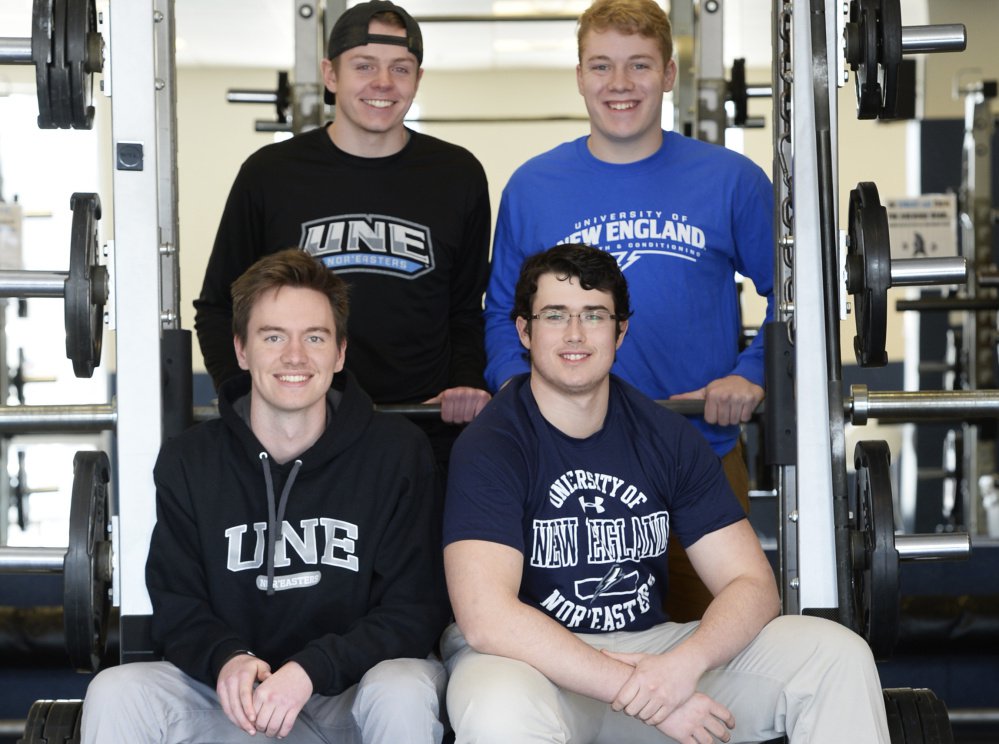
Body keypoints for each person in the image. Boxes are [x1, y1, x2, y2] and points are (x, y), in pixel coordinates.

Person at [442, 244, 889, 744]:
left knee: (833, 655)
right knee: (495, 706)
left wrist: (681, 668)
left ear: (621, 329)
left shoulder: (666, 437)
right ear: (524, 330)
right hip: (530, 664)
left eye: (594, 315)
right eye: (554, 315)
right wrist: (642, 692)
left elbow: (751, 583)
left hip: (649, 651)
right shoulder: (491, 444)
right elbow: (486, 618)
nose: (574, 334)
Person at [82, 249, 450, 743]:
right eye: (273, 336)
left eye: (314, 337)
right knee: (117, 690)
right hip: (237, 699)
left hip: (351, 691)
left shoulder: (397, 453)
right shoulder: (189, 461)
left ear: (339, 353)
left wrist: (311, 669)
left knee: (404, 687)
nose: (294, 356)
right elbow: (178, 606)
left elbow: (413, 610)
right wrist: (228, 660)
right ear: (240, 349)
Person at [482, 0, 774, 620]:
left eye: (639, 66)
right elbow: (502, 316)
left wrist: (750, 373)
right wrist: (517, 394)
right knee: (573, 656)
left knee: (720, 652)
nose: (619, 84)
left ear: (669, 74)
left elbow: (797, 307)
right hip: (566, 469)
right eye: (602, 66)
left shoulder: (732, 180)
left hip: (699, 453)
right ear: (580, 74)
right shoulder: (532, 187)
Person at [194, 0, 492, 472]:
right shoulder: (271, 174)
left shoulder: (458, 175)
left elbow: (465, 308)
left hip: (425, 433)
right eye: (364, 66)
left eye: (401, 68)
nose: (383, 82)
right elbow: (217, 307)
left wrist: (467, 380)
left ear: (417, 79)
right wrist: (243, 398)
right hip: (301, 437)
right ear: (331, 75)